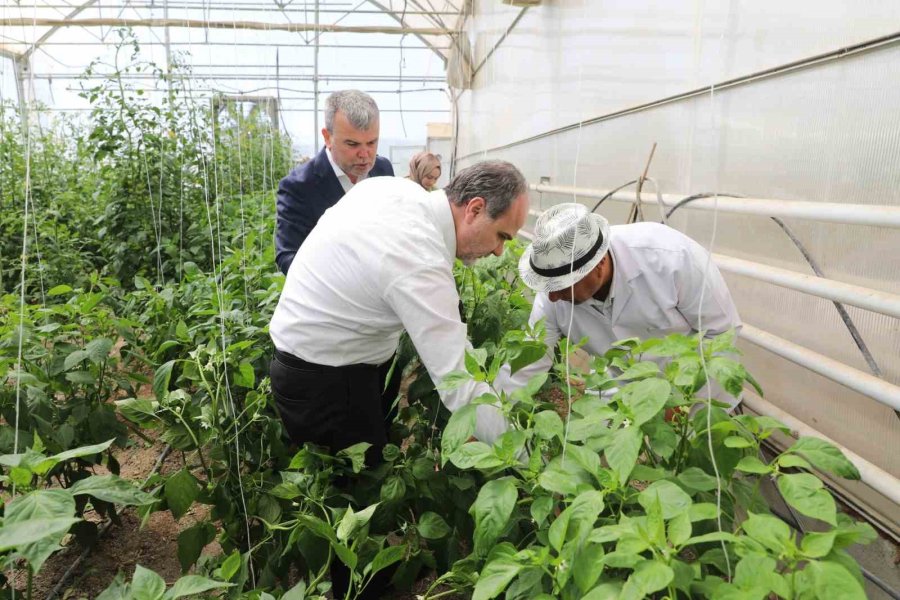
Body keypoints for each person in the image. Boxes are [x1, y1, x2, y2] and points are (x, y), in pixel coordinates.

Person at [269, 160, 530, 459]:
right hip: (324, 384)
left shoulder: (395, 190)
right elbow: (459, 382)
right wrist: (532, 460)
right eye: (502, 236)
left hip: (329, 364)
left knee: (371, 464)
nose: (499, 251)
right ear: (474, 209)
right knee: (354, 489)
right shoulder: (418, 255)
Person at [494, 202, 742, 407]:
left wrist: (681, 401)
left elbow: (721, 332)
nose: (553, 298)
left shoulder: (671, 258)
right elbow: (525, 368)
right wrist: (487, 420)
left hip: (699, 397)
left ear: (599, 263)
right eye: (548, 286)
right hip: (624, 396)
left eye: (562, 285)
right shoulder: (552, 296)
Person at [275, 90, 394, 275]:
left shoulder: (383, 170)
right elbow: (288, 256)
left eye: (371, 142)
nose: (364, 154)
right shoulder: (299, 186)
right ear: (327, 137)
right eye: (352, 144)